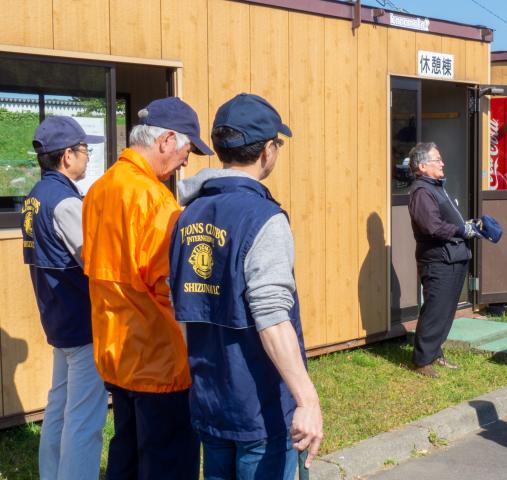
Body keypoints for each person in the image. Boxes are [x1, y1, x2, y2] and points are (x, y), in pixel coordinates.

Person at [170, 93, 323, 479]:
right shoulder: (263, 218)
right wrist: (307, 399)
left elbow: (183, 310)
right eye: (278, 144)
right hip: (260, 409)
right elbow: (272, 317)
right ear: (267, 151)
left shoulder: (186, 217)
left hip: (209, 398)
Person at [82, 97, 213, 479]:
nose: (187, 161)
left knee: (126, 455)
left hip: (116, 355)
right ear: (167, 140)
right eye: (188, 149)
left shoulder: (99, 190)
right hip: (160, 363)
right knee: (166, 464)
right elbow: (172, 288)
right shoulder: (155, 200)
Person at [22, 116, 108, 479]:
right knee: (85, 418)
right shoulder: (67, 203)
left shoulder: (35, 198)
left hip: (57, 319)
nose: (88, 158)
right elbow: (94, 259)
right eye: (85, 150)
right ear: (67, 156)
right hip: (82, 323)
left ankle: (52, 473)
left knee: (58, 406)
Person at [408, 142, 480, 378]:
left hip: (453, 257)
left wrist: (468, 225)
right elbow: (432, 227)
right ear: (422, 166)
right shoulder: (421, 191)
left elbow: (445, 221)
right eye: (437, 159)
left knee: (446, 309)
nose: (442, 163)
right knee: (435, 309)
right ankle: (422, 360)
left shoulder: (436, 187)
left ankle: (434, 352)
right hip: (438, 259)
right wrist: (462, 231)